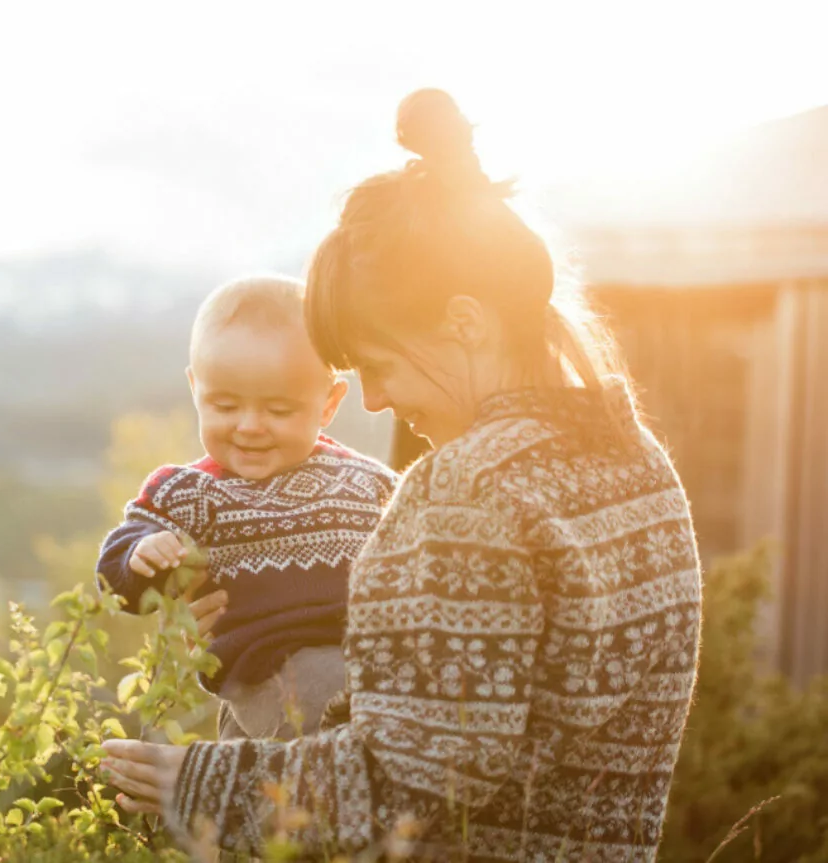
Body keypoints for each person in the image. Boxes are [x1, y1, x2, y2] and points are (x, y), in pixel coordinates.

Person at [102, 89, 702, 861]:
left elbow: (412, 779)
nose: (377, 398)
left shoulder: (470, 489)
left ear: (464, 322)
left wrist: (194, 781)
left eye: (379, 365)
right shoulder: (642, 469)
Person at [96, 275, 397, 741]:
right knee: (349, 734)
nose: (250, 426)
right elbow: (118, 576)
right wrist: (143, 553)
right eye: (225, 406)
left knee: (267, 800)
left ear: (328, 403)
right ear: (196, 388)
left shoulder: (367, 481)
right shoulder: (190, 492)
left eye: (279, 411)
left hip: (368, 656)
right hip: (268, 668)